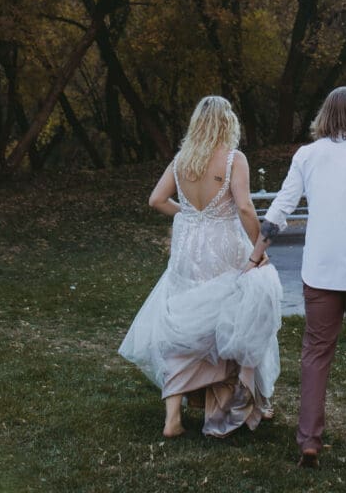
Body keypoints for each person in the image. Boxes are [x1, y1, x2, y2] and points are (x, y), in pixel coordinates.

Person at [245, 86, 346, 468]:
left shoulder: (307, 155)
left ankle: (309, 439)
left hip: (319, 270)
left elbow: (281, 207)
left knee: (315, 353)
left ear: (325, 115)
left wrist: (255, 254)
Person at [119, 95, 282, 438]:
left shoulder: (182, 160)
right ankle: (230, 403)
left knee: (183, 323)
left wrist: (190, 215)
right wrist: (259, 247)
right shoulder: (234, 159)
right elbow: (245, 208)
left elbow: (156, 200)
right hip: (223, 247)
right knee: (227, 319)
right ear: (227, 123)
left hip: (188, 251)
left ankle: (173, 417)